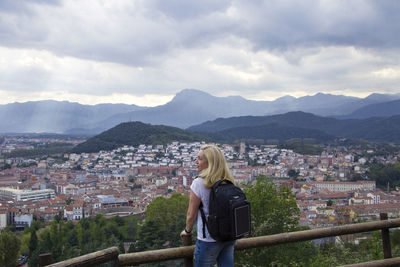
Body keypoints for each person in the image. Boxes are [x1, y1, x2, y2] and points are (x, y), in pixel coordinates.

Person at [180, 144, 236, 267]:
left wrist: (187, 230)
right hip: (229, 236)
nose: (196, 161)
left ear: (209, 162)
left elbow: (191, 214)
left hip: (209, 239)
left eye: (200, 159)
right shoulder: (228, 180)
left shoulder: (199, 183)